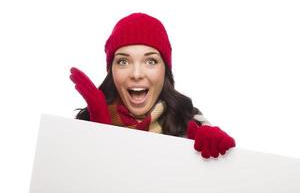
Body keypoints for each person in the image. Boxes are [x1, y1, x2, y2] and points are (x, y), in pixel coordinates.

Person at [70, 12, 235, 159]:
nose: (136, 74)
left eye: (150, 61)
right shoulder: (84, 123)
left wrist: (219, 160)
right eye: (123, 61)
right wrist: (96, 131)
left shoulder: (189, 121)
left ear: (165, 70)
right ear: (111, 71)